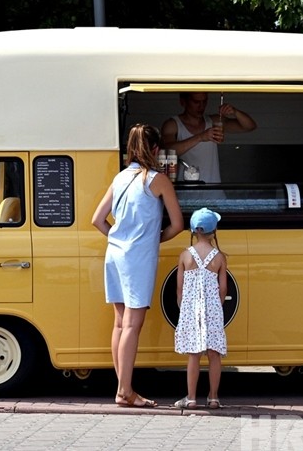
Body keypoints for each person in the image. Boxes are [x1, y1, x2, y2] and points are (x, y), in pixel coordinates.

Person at [91, 123, 184, 409]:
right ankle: (124, 392)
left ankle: (124, 387)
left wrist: (119, 239)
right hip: (138, 259)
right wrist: (152, 240)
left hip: (115, 255)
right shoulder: (157, 180)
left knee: (120, 323)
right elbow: (178, 224)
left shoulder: (119, 178)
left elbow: (97, 220)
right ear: (156, 149)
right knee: (133, 324)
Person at [173, 207, 227, 410]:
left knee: (193, 354)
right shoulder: (219, 257)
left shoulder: (185, 255)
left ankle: (192, 398)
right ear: (214, 231)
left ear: (194, 231)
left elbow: (180, 288)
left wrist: (183, 306)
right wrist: (216, 305)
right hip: (213, 308)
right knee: (214, 354)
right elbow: (223, 289)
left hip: (191, 308)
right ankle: (213, 397)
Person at [161, 92, 257, 182]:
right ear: (183, 102)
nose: (201, 106)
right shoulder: (173, 124)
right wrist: (200, 137)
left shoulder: (214, 121)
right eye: (196, 102)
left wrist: (235, 112)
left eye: (204, 101)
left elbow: (250, 126)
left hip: (214, 193)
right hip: (187, 194)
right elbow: (168, 151)